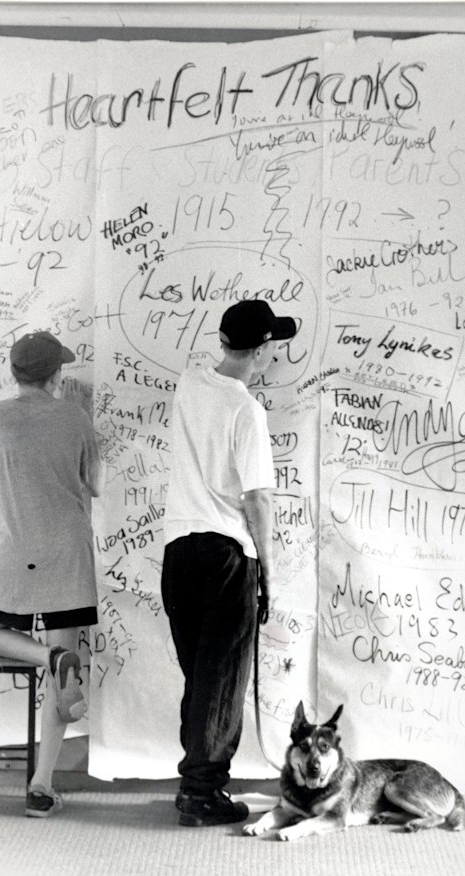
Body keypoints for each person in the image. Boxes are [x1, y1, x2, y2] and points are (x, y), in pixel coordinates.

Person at [161, 299, 297, 828]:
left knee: (201, 677)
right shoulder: (247, 410)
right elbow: (258, 499)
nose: (273, 357)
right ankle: (201, 794)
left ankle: (195, 786)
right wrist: (270, 572)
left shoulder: (189, 384)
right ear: (260, 350)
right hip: (225, 554)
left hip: (179, 551)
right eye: (272, 347)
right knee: (223, 680)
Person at [0, 330, 104, 818]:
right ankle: (41, 786)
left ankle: (49, 657)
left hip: (14, 549)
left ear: (14, 373)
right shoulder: (76, 417)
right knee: (62, 675)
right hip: (68, 552)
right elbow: (97, 485)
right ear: (56, 375)